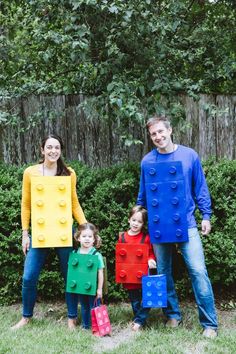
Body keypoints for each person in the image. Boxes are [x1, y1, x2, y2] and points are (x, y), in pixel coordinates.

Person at [137, 116, 218, 338]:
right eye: (154, 134)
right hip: (158, 226)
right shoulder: (147, 162)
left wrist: (206, 215)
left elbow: (200, 187)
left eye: (161, 132)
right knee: (163, 272)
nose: (158, 137)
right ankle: (172, 315)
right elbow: (143, 195)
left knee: (198, 271)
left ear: (170, 130)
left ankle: (210, 324)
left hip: (187, 223)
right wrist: (136, 213)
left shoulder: (189, 155)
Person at [12, 134, 87, 330]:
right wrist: (25, 234)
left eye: (57, 147)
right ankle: (26, 317)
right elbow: (26, 205)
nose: (53, 151)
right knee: (29, 276)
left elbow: (74, 203)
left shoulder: (68, 173)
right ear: (42, 150)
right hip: (40, 233)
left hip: (63, 231)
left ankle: (72, 317)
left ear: (61, 150)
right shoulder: (30, 173)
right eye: (49, 147)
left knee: (69, 275)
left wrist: (85, 226)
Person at [117, 205, 156, 331]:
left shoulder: (146, 238)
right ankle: (139, 320)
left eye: (139, 221)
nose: (135, 224)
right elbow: (120, 257)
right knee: (134, 300)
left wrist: (151, 259)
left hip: (144, 274)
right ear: (129, 219)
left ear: (143, 224)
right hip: (130, 276)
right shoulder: (122, 237)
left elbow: (150, 253)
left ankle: (138, 321)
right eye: (134, 220)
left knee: (148, 297)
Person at [68, 222, 104, 331]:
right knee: (83, 306)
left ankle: (97, 327)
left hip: (93, 288)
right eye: (84, 236)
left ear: (94, 239)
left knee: (94, 307)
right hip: (81, 287)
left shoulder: (96, 255)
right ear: (78, 238)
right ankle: (85, 326)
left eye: (90, 236)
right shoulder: (75, 254)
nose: (87, 239)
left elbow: (100, 272)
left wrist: (99, 289)